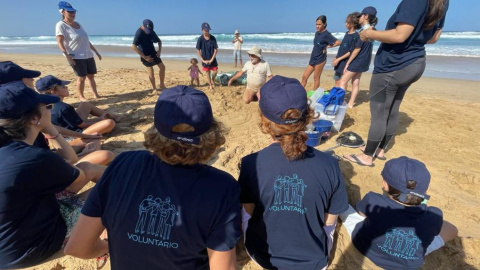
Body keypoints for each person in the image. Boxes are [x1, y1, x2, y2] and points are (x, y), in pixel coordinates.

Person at [64, 85, 241, 270]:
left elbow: (77, 248)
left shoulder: (123, 164)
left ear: (155, 128)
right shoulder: (222, 186)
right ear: (211, 134)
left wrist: (108, 246)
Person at [238, 76, 349, 270]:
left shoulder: (251, 163)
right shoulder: (330, 165)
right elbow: (329, 220)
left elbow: (248, 211)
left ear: (265, 121)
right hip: (314, 261)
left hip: (261, 256)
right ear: (308, 116)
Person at [0, 81, 106, 269]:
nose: (50, 109)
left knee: (90, 168)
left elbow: (74, 163)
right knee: (112, 188)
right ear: (34, 118)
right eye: (47, 106)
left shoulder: (11, 149)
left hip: (12, 234)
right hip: (29, 249)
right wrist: (50, 128)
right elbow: (75, 168)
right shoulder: (33, 157)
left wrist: (48, 127)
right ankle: (105, 247)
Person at [344, 0, 449, 167]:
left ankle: (367, 156)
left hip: (393, 65)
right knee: (392, 109)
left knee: (379, 113)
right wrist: (414, 41)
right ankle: (380, 149)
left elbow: (400, 35)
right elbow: (434, 38)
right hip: (416, 62)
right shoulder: (443, 2)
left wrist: (369, 34)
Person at [339, 156, 458, 269]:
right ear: (425, 189)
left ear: (384, 184)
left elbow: (361, 214)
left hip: (363, 245)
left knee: (343, 207)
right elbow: (442, 229)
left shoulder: (373, 199)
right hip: (408, 262)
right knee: (451, 229)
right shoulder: (434, 215)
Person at [0, 61, 111, 163]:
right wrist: (83, 153)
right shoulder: (22, 111)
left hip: (45, 154)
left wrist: (84, 135)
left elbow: (50, 127)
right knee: (103, 155)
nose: (32, 80)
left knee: (94, 142)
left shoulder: (13, 107)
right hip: (41, 163)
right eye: (47, 107)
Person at [35, 75, 117, 138]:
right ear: (53, 92)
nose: (67, 88)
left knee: (85, 104)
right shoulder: (64, 107)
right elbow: (82, 126)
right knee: (109, 123)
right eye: (63, 87)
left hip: (63, 127)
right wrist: (100, 120)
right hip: (73, 134)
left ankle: (114, 116)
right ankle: (111, 118)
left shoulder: (42, 104)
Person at [55, 1, 102, 101]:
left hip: (88, 55)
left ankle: (95, 94)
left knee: (91, 76)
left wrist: (96, 52)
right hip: (75, 56)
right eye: (70, 12)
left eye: (74, 12)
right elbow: (59, 41)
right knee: (81, 77)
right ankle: (81, 96)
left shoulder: (78, 24)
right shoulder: (61, 25)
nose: (73, 14)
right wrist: (66, 54)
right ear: (63, 12)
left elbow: (86, 40)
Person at [339, 7, 378, 108]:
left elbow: (357, 49)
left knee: (342, 81)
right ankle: (351, 103)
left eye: (361, 15)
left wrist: (348, 63)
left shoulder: (365, 31)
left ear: (366, 16)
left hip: (358, 60)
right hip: (365, 60)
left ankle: (341, 102)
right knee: (355, 82)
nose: (359, 18)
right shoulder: (372, 29)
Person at [301, 15, 340, 90]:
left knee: (316, 78)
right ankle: (299, 93)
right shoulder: (317, 33)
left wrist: (327, 47)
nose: (317, 26)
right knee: (304, 76)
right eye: (316, 24)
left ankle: (314, 96)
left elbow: (338, 42)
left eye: (319, 24)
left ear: (324, 24)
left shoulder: (327, 34)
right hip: (313, 58)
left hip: (320, 59)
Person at [132, 19, 167, 92]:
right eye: (147, 30)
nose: (149, 32)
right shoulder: (139, 33)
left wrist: (159, 51)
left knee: (162, 67)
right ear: (143, 26)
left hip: (153, 52)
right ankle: (154, 88)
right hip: (145, 54)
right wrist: (144, 57)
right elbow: (133, 46)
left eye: (150, 30)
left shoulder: (151, 31)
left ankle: (162, 84)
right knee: (151, 71)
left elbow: (159, 41)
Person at [332, 12, 361, 89]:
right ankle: (337, 96)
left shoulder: (355, 36)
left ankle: (341, 98)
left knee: (342, 81)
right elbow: (342, 48)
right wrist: (336, 57)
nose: (346, 24)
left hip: (345, 62)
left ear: (353, 24)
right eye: (346, 22)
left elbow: (350, 52)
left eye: (348, 22)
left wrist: (338, 59)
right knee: (336, 80)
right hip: (339, 60)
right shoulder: (346, 33)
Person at [196, 22, 218, 91]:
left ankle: (212, 80)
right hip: (205, 59)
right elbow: (198, 50)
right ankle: (210, 85)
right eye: (205, 30)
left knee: (215, 71)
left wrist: (212, 59)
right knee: (207, 72)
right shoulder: (200, 39)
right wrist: (202, 60)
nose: (207, 31)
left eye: (208, 30)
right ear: (202, 29)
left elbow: (215, 50)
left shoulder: (213, 38)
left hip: (212, 59)